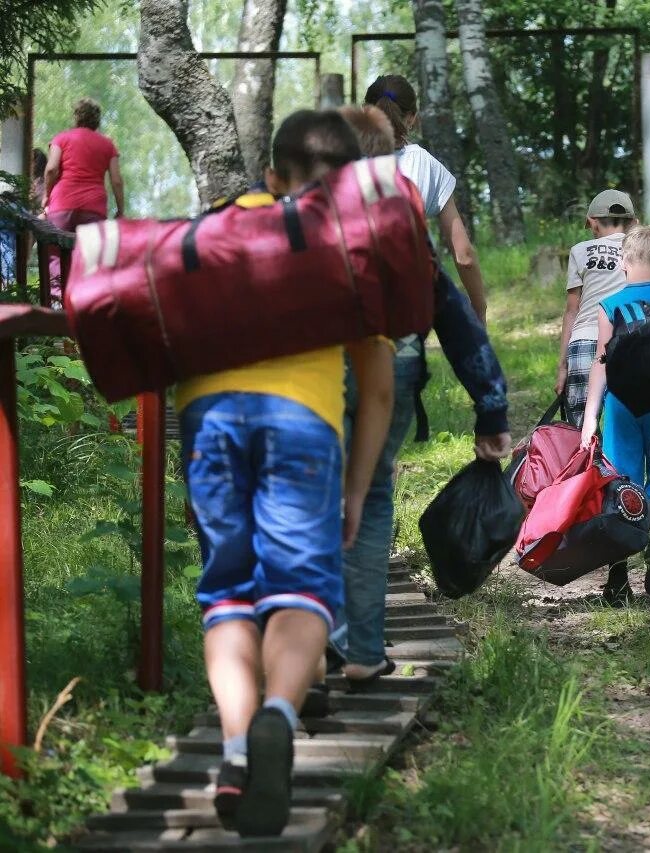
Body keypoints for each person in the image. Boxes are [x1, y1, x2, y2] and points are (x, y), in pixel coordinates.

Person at [179, 110, 395, 838]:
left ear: (272, 177)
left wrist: (191, 468)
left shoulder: (213, 228)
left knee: (228, 590)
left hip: (207, 417)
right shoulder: (351, 248)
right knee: (300, 587)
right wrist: (357, 490)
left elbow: (162, 335)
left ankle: (238, 752)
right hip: (302, 423)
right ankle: (278, 712)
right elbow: (379, 389)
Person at [329, 104, 510, 685]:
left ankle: (317, 633)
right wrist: (491, 405)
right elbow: (450, 311)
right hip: (394, 364)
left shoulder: (308, 206)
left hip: (318, 370)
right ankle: (361, 647)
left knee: (314, 494)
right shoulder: (400, 208)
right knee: (374, 494)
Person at [579, 225, 650, 604]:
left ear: (623, 263)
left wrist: (590, 419)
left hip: (622, 405)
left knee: (622, 484)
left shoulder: (610, 305)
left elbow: (601, 364)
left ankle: (618, 578)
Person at [363, 75, 487, 323]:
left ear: (365, 111)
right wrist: (479, 308)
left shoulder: (342, 161)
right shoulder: (424, 164)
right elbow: (464, 256)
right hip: (405, 298)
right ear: (412, 118)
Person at [557, 190, 650, 427]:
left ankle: (587, 463)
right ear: (634, 223)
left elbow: (572, 310)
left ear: (592, 223)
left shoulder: (580, 251)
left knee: (581, 427)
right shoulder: (643, 253)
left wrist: (562, 366)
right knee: (625, 420)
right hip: (627, 341)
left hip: (584, 340)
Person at [42, 98, 124, 300]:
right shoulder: (108, 145)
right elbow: (116, 181)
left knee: (55, 252)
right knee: (90, 256)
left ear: (76, 117)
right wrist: (121, 209)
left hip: (62, 203)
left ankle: (56, 298)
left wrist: (46, 195)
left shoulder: (61, 139)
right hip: (93, 208)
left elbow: (51, 169)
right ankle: (84, 302)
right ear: (97, 120)